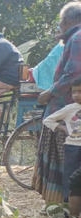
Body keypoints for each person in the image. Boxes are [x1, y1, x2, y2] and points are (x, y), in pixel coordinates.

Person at [38, 2, 81, 204]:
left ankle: (65, 206)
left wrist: (50, 92)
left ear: (67, 20)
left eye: (61, 21)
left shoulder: (77, 38)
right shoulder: (73, 38)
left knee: (68, 161)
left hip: (66, 108)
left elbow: (73, 74)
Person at [43, 77, 81, 218]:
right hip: (72, 148)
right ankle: (70, 216)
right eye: (74, 92)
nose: (77, 95)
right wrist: (63, 129)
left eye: (80, 92)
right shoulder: (69, 109)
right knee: (71, 182)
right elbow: (48, 120)